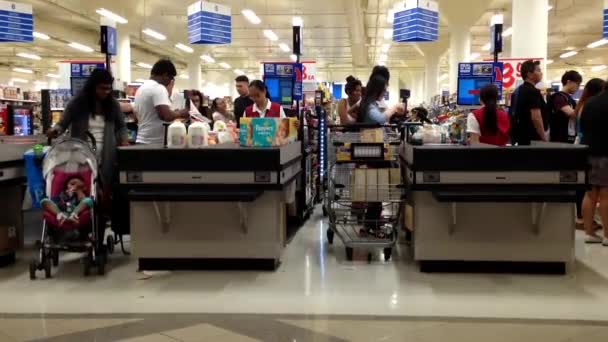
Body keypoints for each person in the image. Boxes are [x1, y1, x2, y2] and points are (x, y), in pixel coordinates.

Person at [47, 68, 129, 189]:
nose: (106, 92)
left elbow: (122, 127)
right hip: (81, 156)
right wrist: (55, 131)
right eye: (102, 88)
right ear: (93, 87)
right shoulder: (77, 103)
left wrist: (124, 141)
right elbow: (62, 124)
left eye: (108, 88)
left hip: (107, 155)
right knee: (83, 188)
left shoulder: (113, 105)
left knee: (104, 188)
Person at [134, 59, 189, 145]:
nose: (170, 82)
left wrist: (173, 112)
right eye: (171, 78)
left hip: (141, 140)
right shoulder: (158, 88)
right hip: (155, 143)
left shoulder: (141, 89)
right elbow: (165, 116)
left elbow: (151, 113)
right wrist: (181, 113)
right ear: (165, 75)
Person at [579, 79, 607, 242]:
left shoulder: (589, 102)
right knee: (606, 194)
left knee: (590, 195)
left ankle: (589, 233)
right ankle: (607, 236)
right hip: (605, 153)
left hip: (587, 152)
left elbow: (582, 127)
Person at [513, 60, 546, 145]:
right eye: (538, 70)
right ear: (529, 74)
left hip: (521, 136)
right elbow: (536, 118)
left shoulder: (518, 90)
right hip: (533, 139)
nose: (541, 73)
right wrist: (544, 137)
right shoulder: (532, 91)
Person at [549, 70, 582, 143]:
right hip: (559, 138)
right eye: (577, 84)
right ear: (569, 82)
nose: (578, 87)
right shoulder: (559, 97)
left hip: (569, 136)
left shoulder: (569, 98)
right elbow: (572, 114)